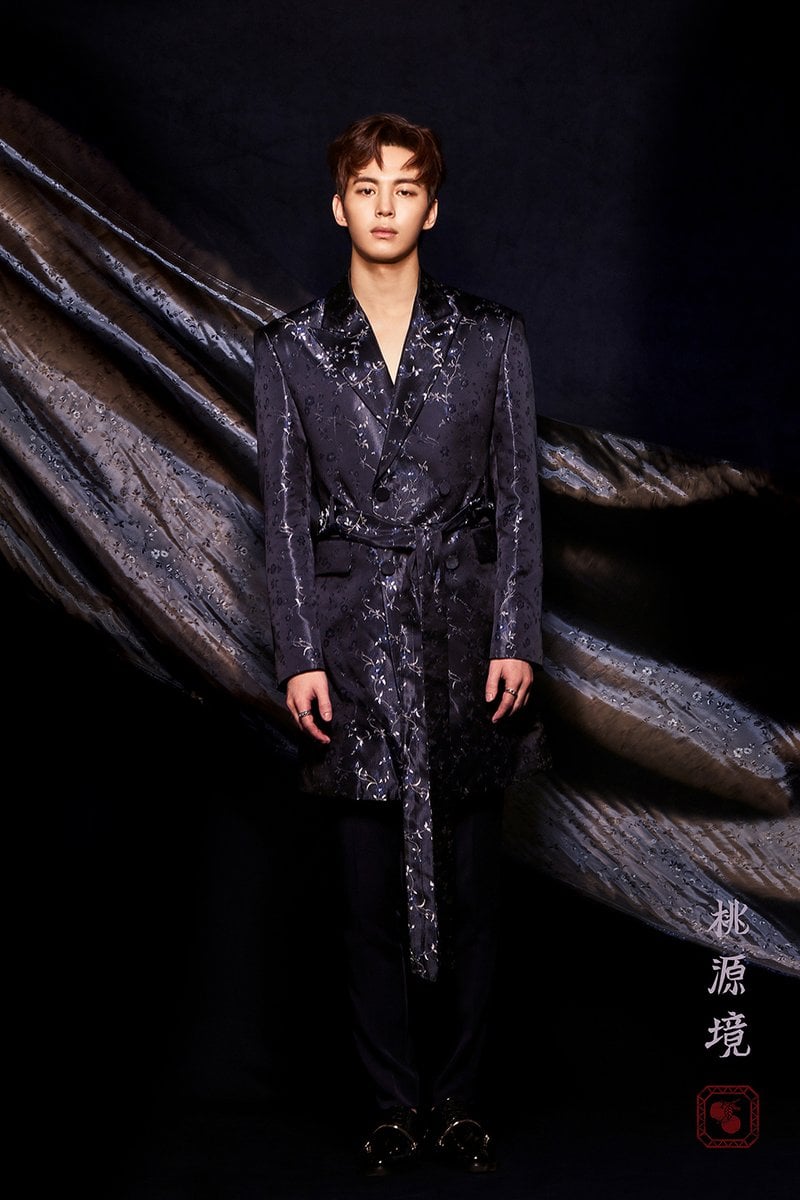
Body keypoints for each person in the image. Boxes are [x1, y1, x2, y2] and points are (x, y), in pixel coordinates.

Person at [253, 113, 543, 1176]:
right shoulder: (287, 348)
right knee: (363, 891)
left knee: (473, 888)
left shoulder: (492, 336)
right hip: (350, 644)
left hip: (465, 637)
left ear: (432, 207)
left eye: (404, 187)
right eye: (366, 188)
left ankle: (458, 1098)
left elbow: (520, 498)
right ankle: (389, 1103)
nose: (384, 205)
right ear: (338, 206)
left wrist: (514, 634)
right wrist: (297, 653)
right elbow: (283, 516)